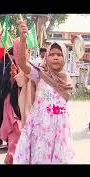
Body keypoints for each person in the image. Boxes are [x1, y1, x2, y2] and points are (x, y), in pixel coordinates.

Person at [13, 21, 74, 164]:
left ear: (65, 57)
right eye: (51, 54)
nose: (55, 57)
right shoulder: (40, 74)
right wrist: (23, 39)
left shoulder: (67, 79)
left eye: (59, 54)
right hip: (40, 128)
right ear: (46, 57)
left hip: (59, 130)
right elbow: (22, 62)